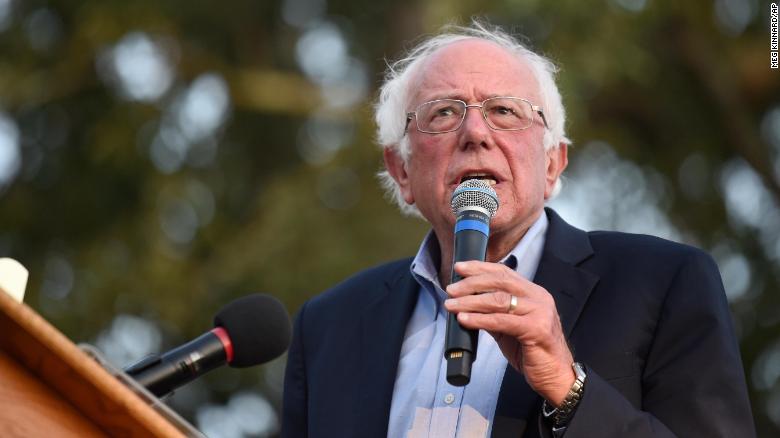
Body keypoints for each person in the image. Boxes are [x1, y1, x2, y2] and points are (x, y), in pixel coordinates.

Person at [281, 21, 755, 437]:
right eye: (443, 112)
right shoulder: (328, 326)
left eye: (505, 111)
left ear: (552, 164)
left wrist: (569, 389)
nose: (475, 133)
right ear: (401, 170)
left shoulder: (664, 282)